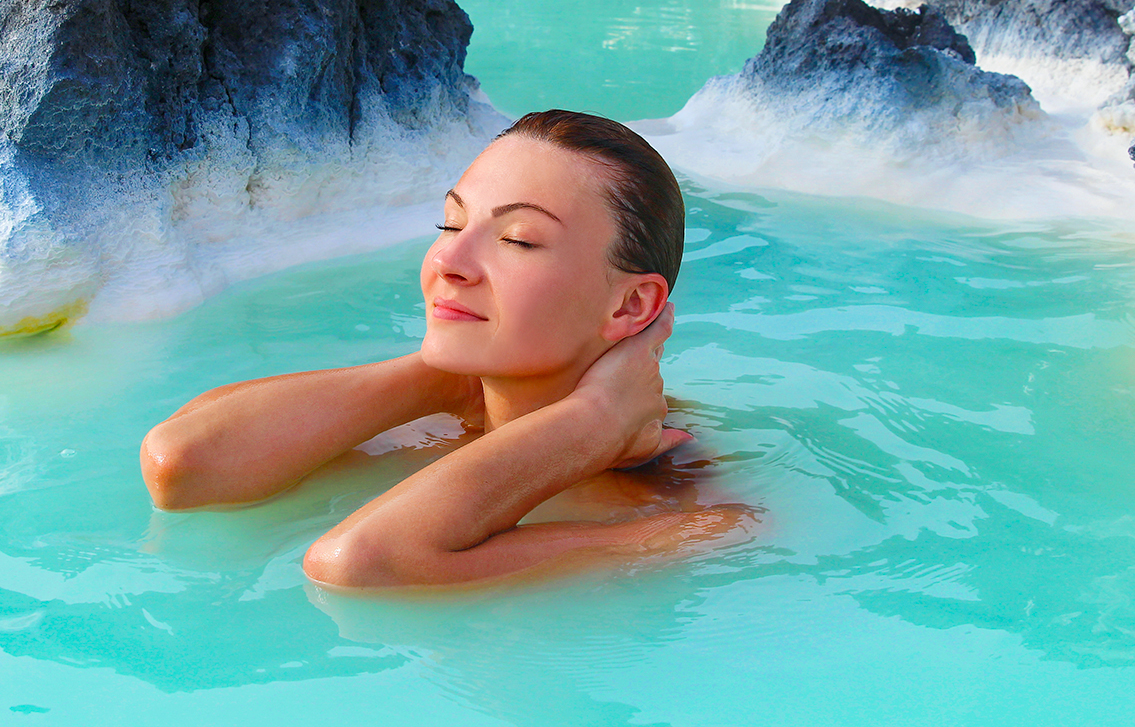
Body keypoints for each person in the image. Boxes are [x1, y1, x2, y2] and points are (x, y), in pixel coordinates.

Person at [140, 110, 753, 588]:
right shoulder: (440, 417)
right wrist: (441, 374)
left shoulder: (691, 513)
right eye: (451, 225)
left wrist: (592, 423)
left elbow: (360, 563)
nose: (449, 263)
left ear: (630, 307)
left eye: (518, 240)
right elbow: (183, 466)